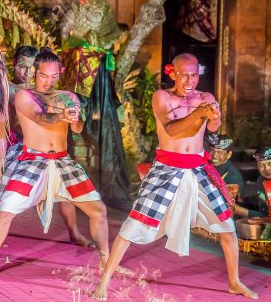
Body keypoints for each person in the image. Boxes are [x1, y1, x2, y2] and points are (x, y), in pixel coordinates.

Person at [92, 53, 257, 300]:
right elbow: (173, 130)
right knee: (132, 226)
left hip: (198, 170)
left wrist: (214, 116)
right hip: (167, 170)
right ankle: (104, 281)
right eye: (183, 75)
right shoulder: (162, 97)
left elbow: (212, 127)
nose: (189, 80)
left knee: (227, 227)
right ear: (173, 73)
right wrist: (199, 114)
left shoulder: (206, 98)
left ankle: (234, 282)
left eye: (194, 75)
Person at [0, 48, 109, 281]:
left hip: (62, 162)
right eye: (44, 76)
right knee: (5, 212)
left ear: (60, 73)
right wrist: (61, 116)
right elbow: (40, 118)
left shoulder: (69, 97)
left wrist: (75, 120)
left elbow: (78, 129)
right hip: (33, 161)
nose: (49, 81)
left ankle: (106, 261)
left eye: (54, 76)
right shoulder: (25, 96)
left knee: (99, 211)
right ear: (35, 72)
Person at [7, 45, 93, 247]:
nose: (27, 73)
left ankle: (74, 233)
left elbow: (57, 118)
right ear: (14, 65)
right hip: (13, 144)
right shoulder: (10, 89)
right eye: (23, 67)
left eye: (31, 68)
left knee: (64, 191)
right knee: (0, 194)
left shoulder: (50, 93)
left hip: (43, 147)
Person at [234, 146, 271, 218]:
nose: (266, 169)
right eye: (261, 165)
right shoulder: (261, 179)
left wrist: (240, 211)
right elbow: (261, 198)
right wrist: (243, 200)